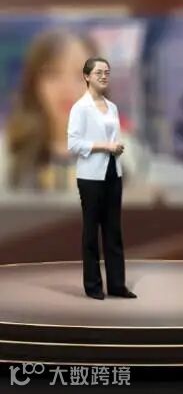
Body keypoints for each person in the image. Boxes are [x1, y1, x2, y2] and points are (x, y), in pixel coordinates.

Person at [2, 28, 143, 194]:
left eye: (80, 76)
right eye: (53, 74)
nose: (67, 89)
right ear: (34, 84)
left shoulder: (124, 152)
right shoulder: (9, 152)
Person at [67, 56, 137, 300]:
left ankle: (117, 284)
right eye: (99, 72)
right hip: (90, 176)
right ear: (87, 76)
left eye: (107, 72)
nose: (104, 76)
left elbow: (114, 139)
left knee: (113, 231)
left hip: (113, 173)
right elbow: (73, 144)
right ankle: (93, 286)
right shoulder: (80, 108)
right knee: (91, 232)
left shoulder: (112, 107)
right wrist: (105, 146)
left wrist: (116, 149)